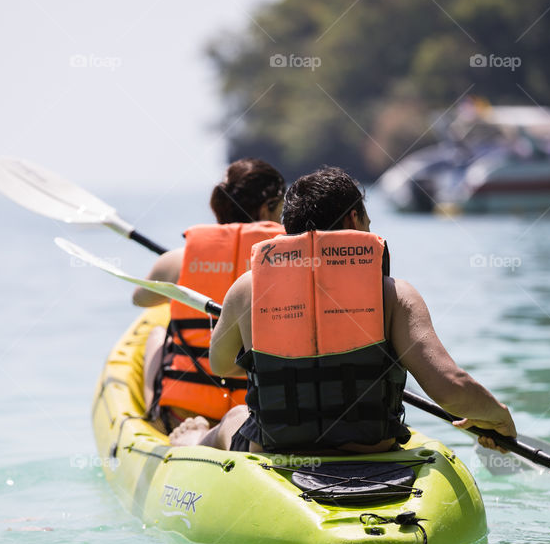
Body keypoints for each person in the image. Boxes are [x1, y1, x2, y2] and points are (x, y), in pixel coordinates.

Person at [168, 167, 516, 454]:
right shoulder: (395, 295)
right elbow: (451, 389)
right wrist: (497, 416)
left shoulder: (248, 288)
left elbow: (220, 364)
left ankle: (195, 439)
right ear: (354, 218)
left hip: (276, 450)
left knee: (233, 417)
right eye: (367, 218)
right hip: (371, 450)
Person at [133, 158, 286, 434]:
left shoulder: (178, 259)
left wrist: (187, 267)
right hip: (255, 412)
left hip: (185, 413)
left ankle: (154, 415)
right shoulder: (289, 260)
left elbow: (141, 299)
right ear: (268, 207)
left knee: (156, 333)